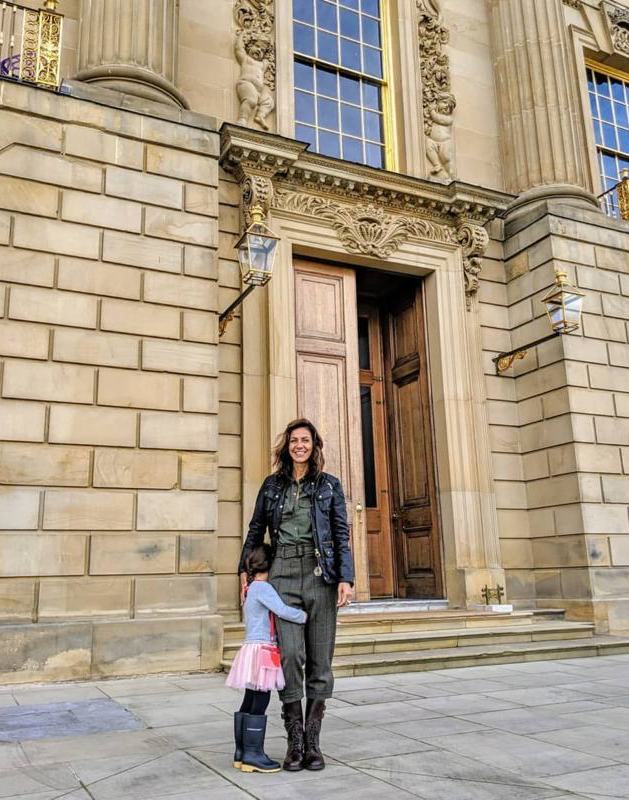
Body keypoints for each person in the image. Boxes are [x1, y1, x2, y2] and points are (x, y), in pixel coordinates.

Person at [238, 418, 354, 772]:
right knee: (289, 655)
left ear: (314, 445)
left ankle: (313, 744)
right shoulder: (272, 486)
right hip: (283, 575)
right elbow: (257, 529)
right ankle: (294, 741)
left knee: (321, 659)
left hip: (321, 576)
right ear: (286, 446)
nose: (299, 445)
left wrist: (345, 578)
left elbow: (340, 532)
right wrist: (246, 571)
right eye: (293, 440)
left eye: (305, 440)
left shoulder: (329, 486)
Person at [226, 544, 307, 774]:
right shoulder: (263, 588)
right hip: (263, 648)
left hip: (251, 647)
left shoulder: (250, 587)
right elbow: (282, 610)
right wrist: (304, 616)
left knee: (250, 698)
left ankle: (241, 753)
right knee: (260, 699)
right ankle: (253, 755)